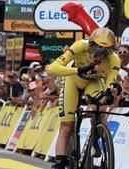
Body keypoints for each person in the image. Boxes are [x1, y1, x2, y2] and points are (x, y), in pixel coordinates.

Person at [46, 27, 120, 169]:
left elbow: (111, 80)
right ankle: (60, 163)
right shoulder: (80, 45)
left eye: (105, 52)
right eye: (96, 51)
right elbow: (51, 68)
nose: (100, 56)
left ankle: (96, 136)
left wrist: (112, 91)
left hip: (93, 82)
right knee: (67, 126)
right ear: (90, 45)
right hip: (72, 80)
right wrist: (78, 70)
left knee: (103, 105)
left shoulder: (114, 59)